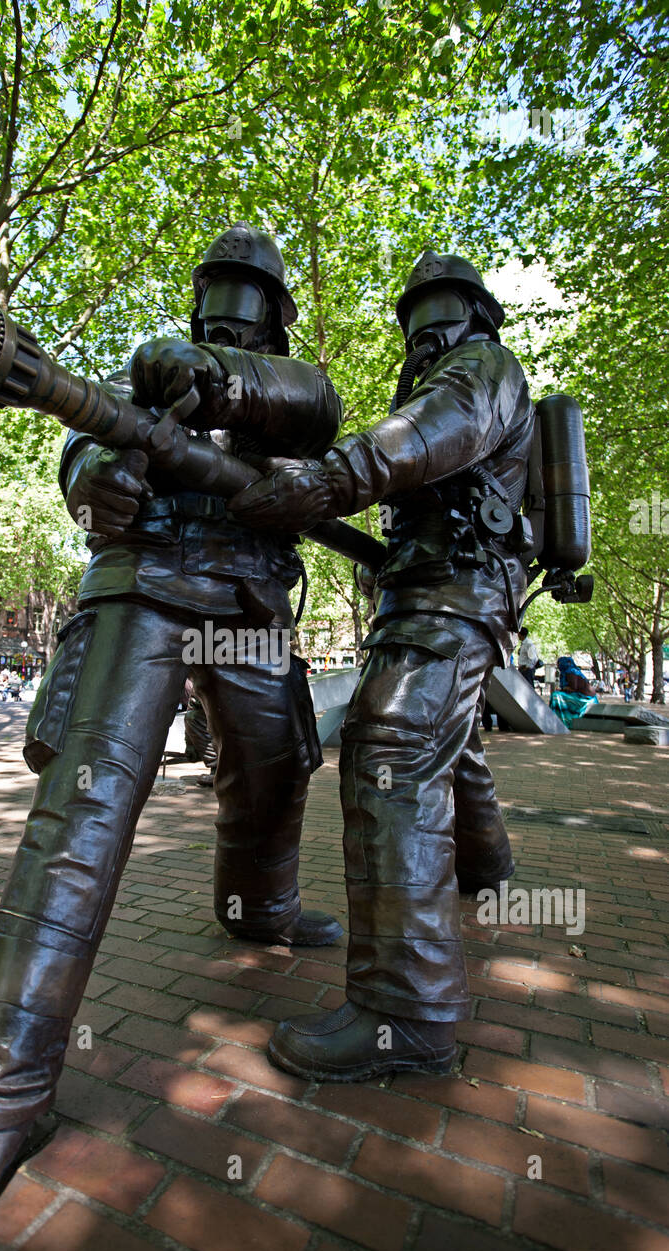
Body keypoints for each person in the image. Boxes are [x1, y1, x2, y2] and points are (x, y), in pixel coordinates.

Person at [0, 223, 345, 1251]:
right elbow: (83, 441)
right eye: (213, 286)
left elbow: (312, 410)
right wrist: (94, 482)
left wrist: (216, 380)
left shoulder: (282, 383)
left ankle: (257, 906)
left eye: (246, 292)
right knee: (80, 824)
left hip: (251, 599)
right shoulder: (145, 366)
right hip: (142, 590)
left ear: (274, 309)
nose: (225, 303)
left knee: (271, 775)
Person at [229, 249, 535, 1081]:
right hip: (423, 595)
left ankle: (406, 1014)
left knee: (391, 749)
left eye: (437, 309)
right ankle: (488, 868)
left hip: (455, 597)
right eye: (418, 313)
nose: (425, 327)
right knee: (446, 736)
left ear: (472, 315)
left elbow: (435, 435)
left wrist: (330, 480)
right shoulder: (438, 383)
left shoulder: (485, 370)